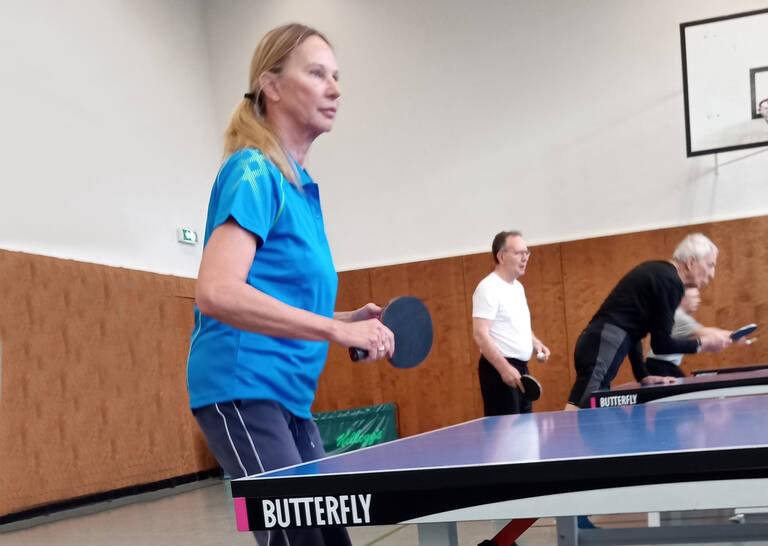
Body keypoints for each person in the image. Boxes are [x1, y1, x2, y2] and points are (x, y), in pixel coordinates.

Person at [186, 24, 394, 546]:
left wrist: (349, 321)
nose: (335, 88)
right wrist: (335, 331)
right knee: (297, 541)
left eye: (337, 77)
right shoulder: (253, 172)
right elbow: (216, 290)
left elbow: (275, 295)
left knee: (330, 539)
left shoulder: (298, 189)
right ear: (272, 86)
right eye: (317, 73)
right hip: (243, 387)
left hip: (289, 398)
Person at [565, 233, 732, 411]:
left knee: (585, 409)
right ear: (691, 262)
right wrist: (702, 344)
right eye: (710, 265)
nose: (712, 274)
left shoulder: (661, 273)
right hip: (601, 346)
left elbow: (633, 332)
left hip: (598, 345)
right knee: (582, 412)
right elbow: (662, 344)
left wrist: (642, 375)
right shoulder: (670, 281)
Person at [472, 231, 551, 416]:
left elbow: (519, 325)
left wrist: (535, 343)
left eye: (527, 252)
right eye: (518, 253)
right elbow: (481, 333)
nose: (525, 258)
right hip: (499, 370)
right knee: (506, 438)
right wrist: (504, 368)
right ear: (501, 256)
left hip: (521, 370)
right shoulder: (488, 288)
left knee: (523, 433)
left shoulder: (517, 288)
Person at [644, 287, 733, 377]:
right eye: (694, 297)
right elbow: (706, 333)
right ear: (682, 299)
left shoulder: (679, 315)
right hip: (659, 366)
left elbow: (698, 340)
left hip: (661, 364)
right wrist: (734, 335)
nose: (698, 301)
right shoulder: (679, 315)